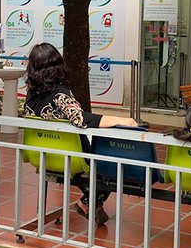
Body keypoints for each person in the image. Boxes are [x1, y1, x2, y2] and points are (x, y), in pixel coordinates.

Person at [24, 43, 138, 226]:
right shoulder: (60, 94)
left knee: (86, 169)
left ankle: (91, 204)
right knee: (110, 166)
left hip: (41, 155)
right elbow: (80, 118)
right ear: (57, 65)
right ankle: (88, 203)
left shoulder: (30, 95)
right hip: (70, 158)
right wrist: (120, 120)